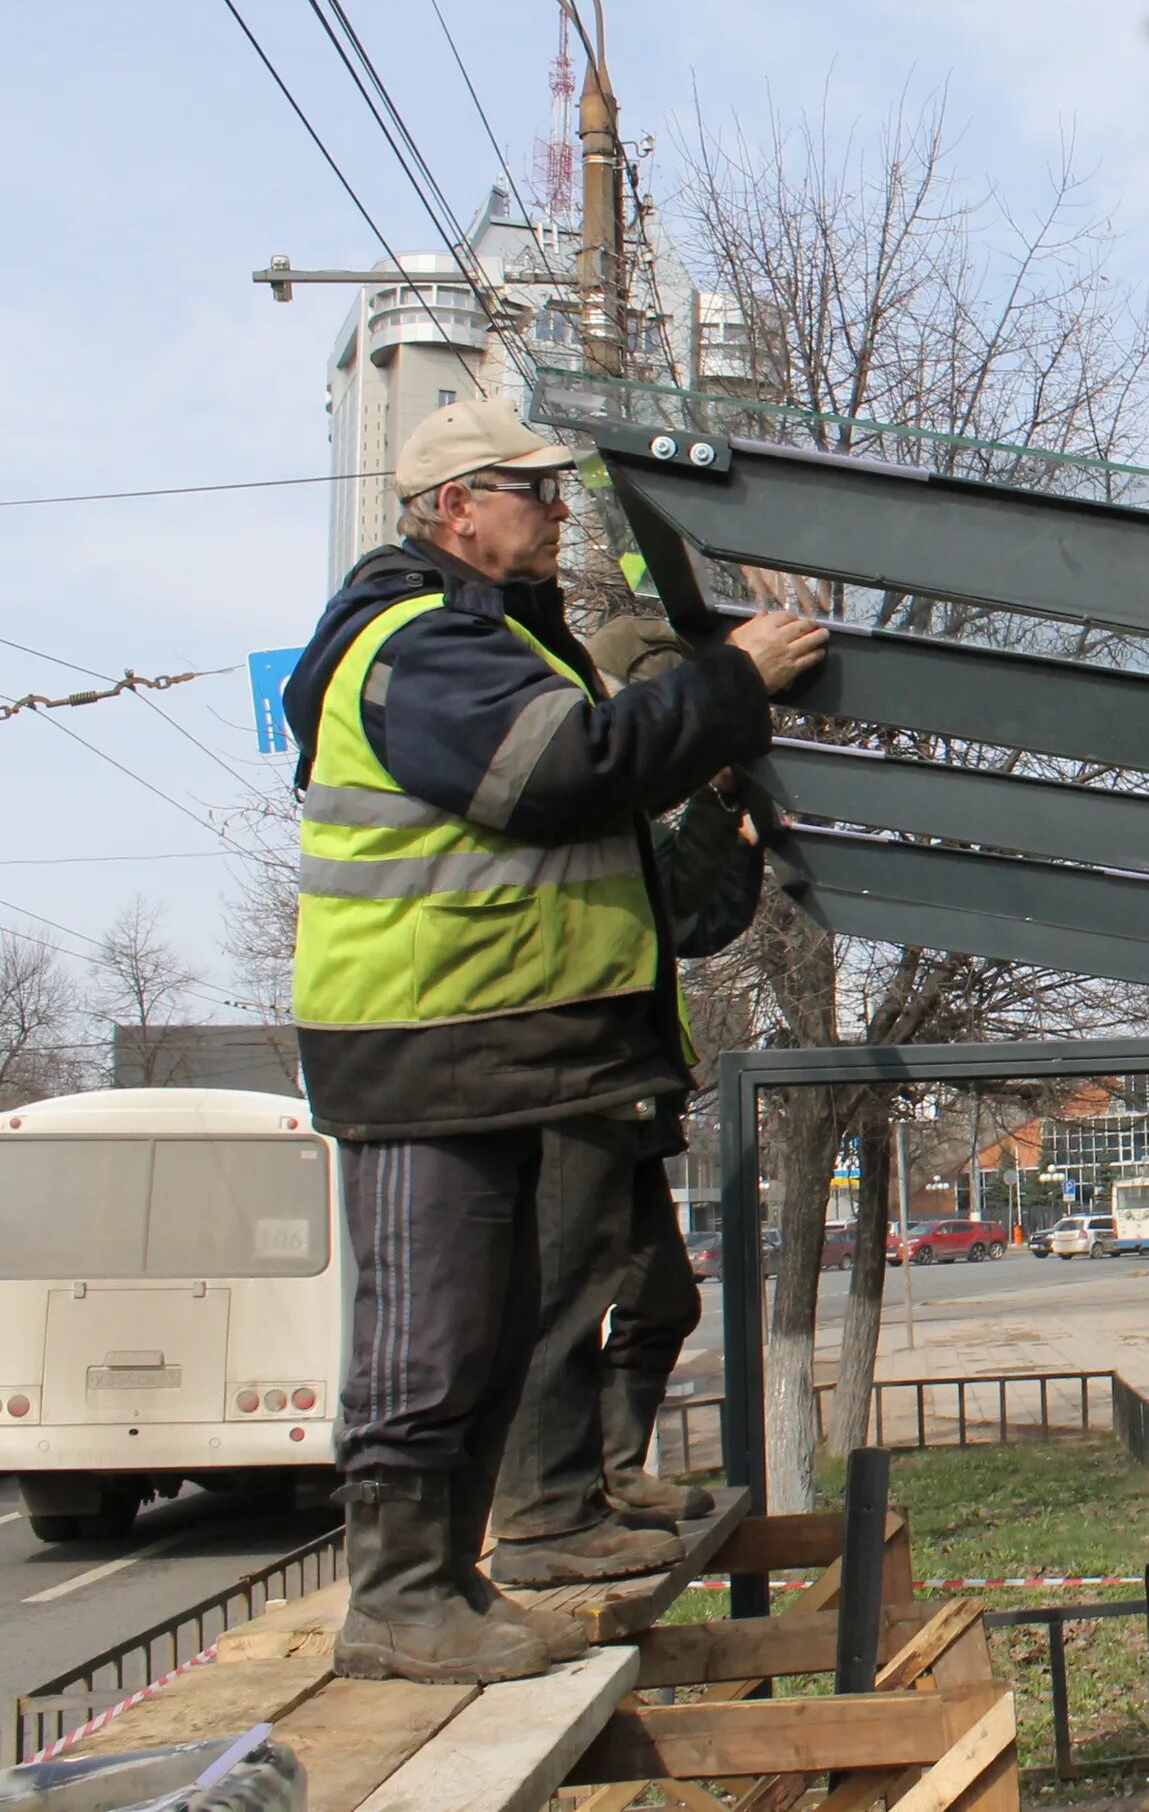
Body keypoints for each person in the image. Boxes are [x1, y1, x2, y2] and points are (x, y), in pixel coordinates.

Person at [285, 397, 826, 1683]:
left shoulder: (500, 646)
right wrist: (733, 677)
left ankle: (445, 1586)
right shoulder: (419, 645)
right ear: (454, 508)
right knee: (433, 1330)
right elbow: (563, 772)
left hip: (500, 1042)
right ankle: (403, 1594)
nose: (556, 505)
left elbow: (606, 833)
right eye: (529, 489)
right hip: (429, 1044)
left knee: (487, 1321)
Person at [483, 615, 772, 1585]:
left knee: (657, 1297)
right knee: (565, 1302)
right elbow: (676, 893)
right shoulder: (593, 780)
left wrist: (725, 792)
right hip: (572, 1068)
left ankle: (609, 1475)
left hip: (626, 1081)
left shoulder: (627, 789)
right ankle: (545, 1512)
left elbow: (685, 910)